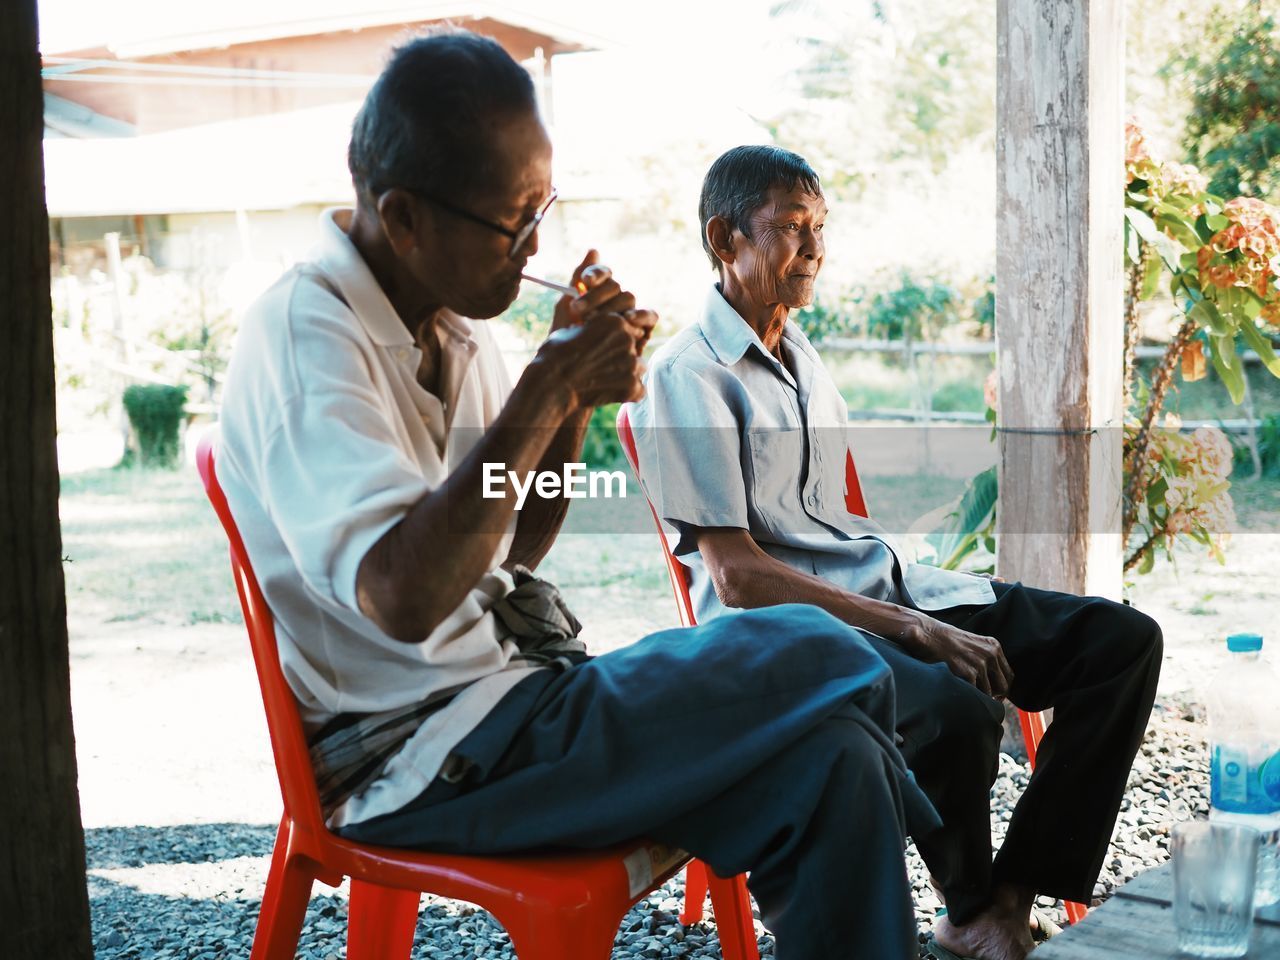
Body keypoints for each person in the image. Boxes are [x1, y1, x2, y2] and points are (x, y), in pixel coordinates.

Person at [217, 30, 941, 960]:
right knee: (810, 647)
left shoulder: (454, 328)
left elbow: (515, 547)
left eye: (542, 211)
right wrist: (545, 389)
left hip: (516, 702)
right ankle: (944, 840)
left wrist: (570, 409)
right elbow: (404, 599)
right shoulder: (306, 337)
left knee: (834, 762)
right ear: (403, 219)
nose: (535, 247)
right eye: (514, 222)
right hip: (419, 755)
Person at [628, 144, 1164, 960]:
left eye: (819, 228)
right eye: (789, 228)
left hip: (883, 585)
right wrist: (913, 631)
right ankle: (972, 905)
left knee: (1120, 643)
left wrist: (918, 612)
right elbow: (736, 577)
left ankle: (1002, 903)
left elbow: (832, 524)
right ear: (724, 238)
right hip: (785, 630)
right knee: (954, 704)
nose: (813, 248)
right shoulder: (687, 376)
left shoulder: (802, 357)